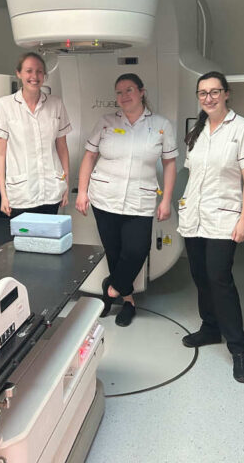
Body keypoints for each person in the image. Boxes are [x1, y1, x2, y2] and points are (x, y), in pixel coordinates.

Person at [177, 71, 244, 383]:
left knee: (219, 278)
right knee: (200, 276)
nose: (208, 98)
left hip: (225, 219)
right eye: (202, 93)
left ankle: (239, 349)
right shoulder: (196, 131)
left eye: (214, 92)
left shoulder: (243, 129)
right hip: (194, 217)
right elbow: (194, 176)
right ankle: (211, 329)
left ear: (226, 94)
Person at [76, 73, 178, 327]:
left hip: (140, 201)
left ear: (142, 92)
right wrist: (82, 191)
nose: (124, 96)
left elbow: (169, 164)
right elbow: (89, 157)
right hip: (104, 198)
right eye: (119, 92)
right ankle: (128, 302)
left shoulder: (161, 125)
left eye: (129, 90)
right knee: (115, 252)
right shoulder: (106, 122)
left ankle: (110, 290)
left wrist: (166, 199)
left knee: (136, 250)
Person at [0, 52, 71, 218]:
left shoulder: (56, 104)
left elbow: (62, 147)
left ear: (45, 76)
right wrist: (3, 195)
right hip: (22, 193)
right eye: (29, 71)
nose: (34, 76)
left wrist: (66, 185)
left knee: (49, 242)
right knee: (24, 242)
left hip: (52, 191)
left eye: (39, 71)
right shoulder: (5, 105)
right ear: (19, 73)